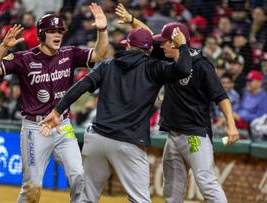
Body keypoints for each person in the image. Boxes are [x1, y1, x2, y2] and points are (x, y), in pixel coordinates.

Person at [39, 28, 192, 203]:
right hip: (128, 143)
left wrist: (57, 110)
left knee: (86, 199)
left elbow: (81, 86)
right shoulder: (155, 67)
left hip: (97, 139)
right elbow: (184, 69)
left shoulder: (108, 64)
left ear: (127, 45)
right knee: (140, 200)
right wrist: (183, 46)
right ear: (149, 50)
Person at [115, 4, 239, 203]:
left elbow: (221, 96)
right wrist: (131, 20)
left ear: (175, 43)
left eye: (164, 42)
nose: (160, 45)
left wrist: (231, 126)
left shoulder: (201, 65)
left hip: (195, 136)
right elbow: (148, 35)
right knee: (172, 192)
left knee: (207, 184)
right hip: (173, 136)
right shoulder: (168, 56)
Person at [0, 3, 108, 203]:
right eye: (52, 31)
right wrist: (3, 48)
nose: (57, 34)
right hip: (35, 127)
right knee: (32, 189)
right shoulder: (25, 59)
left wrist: (102, 30)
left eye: (60, 31)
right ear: (42, 34)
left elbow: (100, 54)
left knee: (79, 176)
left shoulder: (69, 54)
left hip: (63, 126)